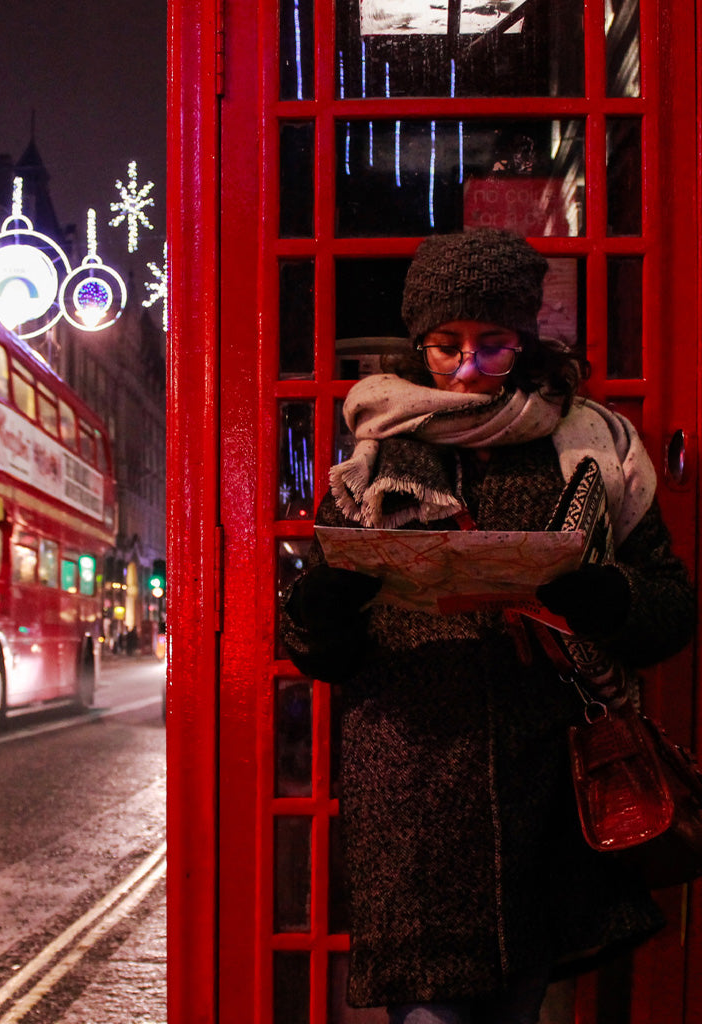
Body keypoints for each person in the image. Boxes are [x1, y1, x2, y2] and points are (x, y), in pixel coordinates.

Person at [281, 228, 696, 1024]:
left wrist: (607, 598)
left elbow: (671, 610)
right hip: (411, 786)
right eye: (445, 346)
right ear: (417, 345)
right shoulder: (375, 454)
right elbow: (311, 648)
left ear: (527, 336)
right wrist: (323, 603)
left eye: (493, 345)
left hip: (550, 788)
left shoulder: (588, 445)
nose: (468, 367)